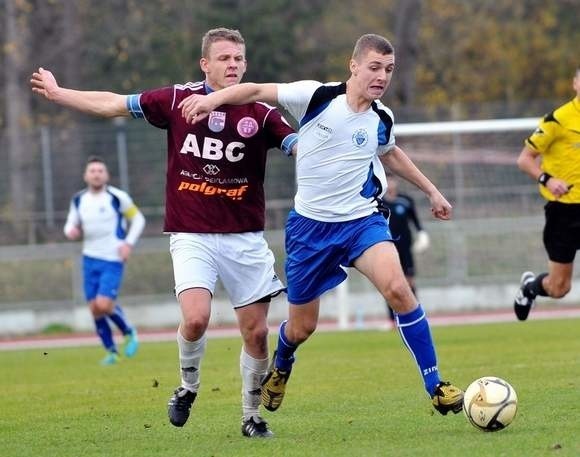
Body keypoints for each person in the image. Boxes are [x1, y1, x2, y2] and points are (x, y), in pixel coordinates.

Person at [179, 33, 464, 419]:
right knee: (301, 328)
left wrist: (432, 191)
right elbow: (257, 89)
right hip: (310, 231)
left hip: (361, 221)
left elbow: (390, 151)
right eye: (375, 67)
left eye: (389, 70)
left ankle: (436, 385)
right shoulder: (315, 96)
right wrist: (212, 99)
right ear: (354, 65)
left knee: (399, 288)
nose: (382, 76)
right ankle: (282, 363)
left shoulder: (382, 117)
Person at [31, 27, 297, 438]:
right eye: (224, 58)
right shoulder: (176, 99)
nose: (233, 65)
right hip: (191, 234)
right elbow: (113, 104)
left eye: (239, 59)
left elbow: (296, 143)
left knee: (258, 333)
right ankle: (188, 387)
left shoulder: (260, 111)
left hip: (244, 237)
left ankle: (251, 416)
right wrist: (59, 93)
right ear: (204, 64)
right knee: (195, 320)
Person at [64, 156, 145, 366]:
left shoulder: (117, 197)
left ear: (106, 175)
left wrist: (128, 244)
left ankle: (129, 331)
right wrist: (71, 231)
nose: (96, 174)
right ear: (86, 175)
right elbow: (70, 223)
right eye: (92, 171)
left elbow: (138, 219)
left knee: (104, 304)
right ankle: (112, 352)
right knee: (94, 308)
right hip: (89, 258)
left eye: (100, 170)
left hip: (112, 257)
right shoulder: (79, 199)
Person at [513, 66, 580, 321]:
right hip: (564, 212)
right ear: (575, 84)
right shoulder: (558, 120)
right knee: (560, 288)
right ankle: (530, 288)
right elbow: (524, 159)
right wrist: (547, 179)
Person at [380, 175, 430, 322]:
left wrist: (422, 235)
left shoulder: (406, 200)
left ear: (397, 182)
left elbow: (416, 222)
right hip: (387, 248)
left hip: (405, 247)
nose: (390, 183)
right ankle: (392, 320)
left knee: (409, 282)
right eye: (387, 180)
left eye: (392, 180)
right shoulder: (378, 202)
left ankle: (416, 316)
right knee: (390, 284)